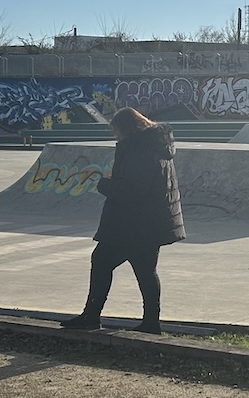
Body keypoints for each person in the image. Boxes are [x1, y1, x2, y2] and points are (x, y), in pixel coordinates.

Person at [65, 107, 184, 334]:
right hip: (151, 223)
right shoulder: (157, 146)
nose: (115, 136)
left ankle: (91, 316)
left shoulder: (139, 149)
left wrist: (104, 184)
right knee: (146, 271)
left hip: (133, 224)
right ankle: (151, 322)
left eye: (116, 131)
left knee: (101, 261)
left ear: (127, 129)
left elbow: (134, 189)